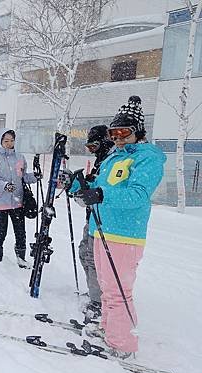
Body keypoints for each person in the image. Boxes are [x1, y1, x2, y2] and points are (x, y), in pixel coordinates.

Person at [71, 96, 166, 358]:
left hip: (125, 234)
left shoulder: (147, 159)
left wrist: (101, 194)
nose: (119, 138)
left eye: (125, 132)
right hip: (102, 230)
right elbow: (101, 189)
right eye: (114, 133)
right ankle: (109, 329)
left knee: (118, 292)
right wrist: (80, 186)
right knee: (106, 287)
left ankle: (122, 344)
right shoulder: (114, 156)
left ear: (138, 132)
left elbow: (137, 195)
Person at [0, 129, 38, 267]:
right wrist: (4, 186)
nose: (9, 143)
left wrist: (35, 177)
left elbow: (23, 177)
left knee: (20, 232)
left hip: (17, 202)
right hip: (0, 203)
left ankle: (21, 259)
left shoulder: (20, 158)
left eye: (12, 140)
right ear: (0, 141)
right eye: (6, 141)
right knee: (1, 232)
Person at [77, 125, 115, 320]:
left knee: (93, 259)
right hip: (91, 217)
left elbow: (105, 190)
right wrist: (80, 184)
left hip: (102, 221)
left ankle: (98, 302)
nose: (92, 151)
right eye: (89, 147)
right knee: (84, 253)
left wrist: (94, 190)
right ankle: (96, 293)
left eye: (94, 146)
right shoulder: (102, 161)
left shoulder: (111, 160)